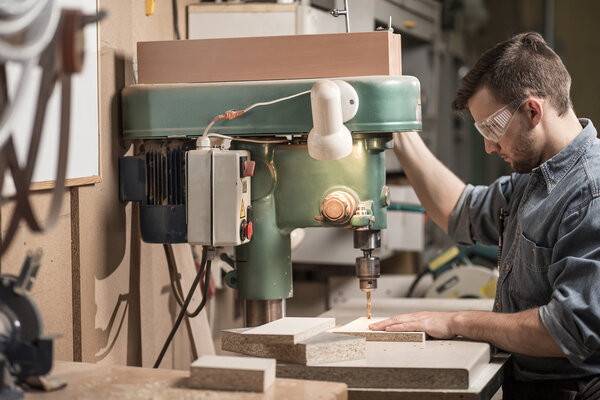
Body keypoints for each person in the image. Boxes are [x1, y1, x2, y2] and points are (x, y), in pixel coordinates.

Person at [370, 32, 600, 399]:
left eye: (491, 128)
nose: (489, 146)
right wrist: (399, 131)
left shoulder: (591, 192)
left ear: (532, 110)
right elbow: (460, 210)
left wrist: (456, 321)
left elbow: (570, 327)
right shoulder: (535, 180)